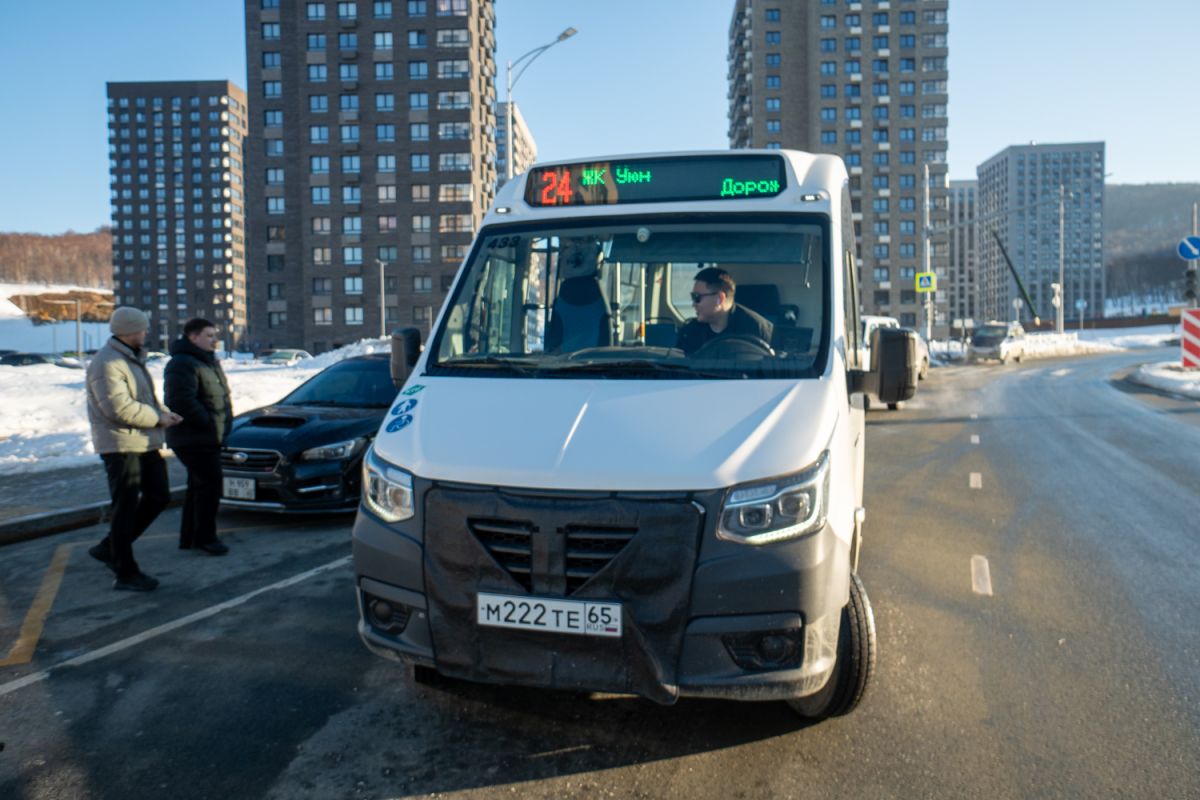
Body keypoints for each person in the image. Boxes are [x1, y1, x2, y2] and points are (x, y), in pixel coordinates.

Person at [86, 306, 182, 591]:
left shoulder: (131, 358)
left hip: (143, 441)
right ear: (130, 331)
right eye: (143, 328)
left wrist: (164, 413)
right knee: (125, 507)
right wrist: (157, 418)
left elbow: (145, 398)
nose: (146, 332)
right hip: (121, 445)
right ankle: (125, 572)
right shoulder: (107, 363)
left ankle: (109, 547)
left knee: (159, 496)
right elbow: (118, 408)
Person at [164, 318, 233, 556]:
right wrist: (208, 424)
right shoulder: (182, 363)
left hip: (207, 437)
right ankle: (206, 537)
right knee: (210, 485)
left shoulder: (208, 361)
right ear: (193, 337)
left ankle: (191, 537)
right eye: (209, 335)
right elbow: (180, 401)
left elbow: (219, 398)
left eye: (215, 335)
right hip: (194, 438)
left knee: (198, 486)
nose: (214, 340)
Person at [675, 267, 773, 355]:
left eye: (697, 297)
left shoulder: (758, 329)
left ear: (720, 298)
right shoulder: (689, 332)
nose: (693, 304)